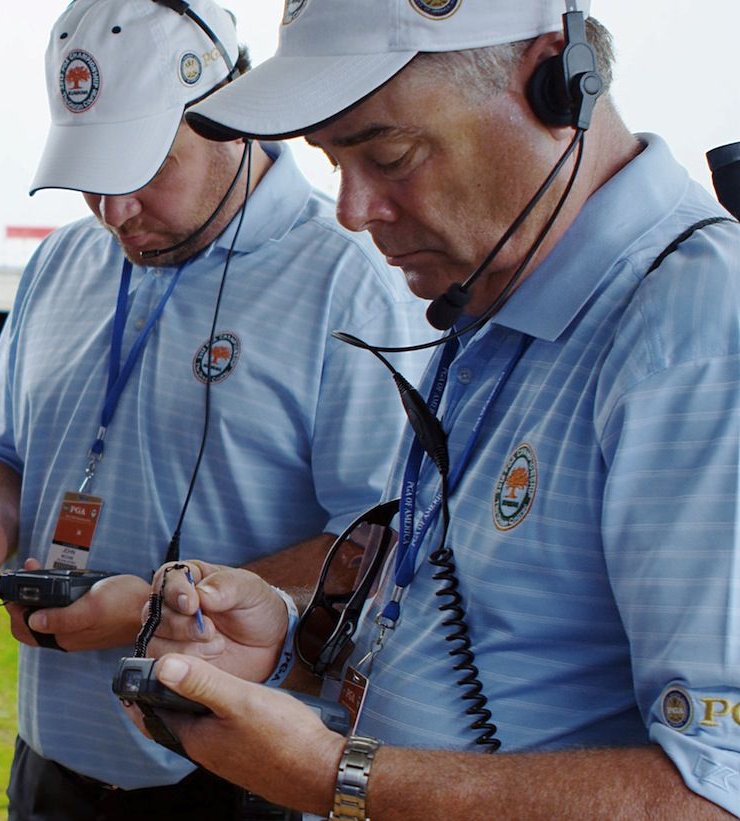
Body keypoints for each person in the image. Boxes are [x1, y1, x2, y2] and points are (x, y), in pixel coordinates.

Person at [129, 0, 740, 817]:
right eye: (333, 162)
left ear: (559, 83)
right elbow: (484, 640)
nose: (353, 210)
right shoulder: (495, 285)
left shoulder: (697, 333)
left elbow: (718, 789)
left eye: (390, 155)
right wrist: (289, 642)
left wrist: (334, 775)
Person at [0, 0, 425, 817]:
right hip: (52, 765)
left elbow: (376, 549)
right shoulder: (64, 257)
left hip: (237, 781)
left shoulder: (346, 279)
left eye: (141, 165)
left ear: (232, 114)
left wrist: (151, 607)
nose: (112, 211)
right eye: (91, 172)